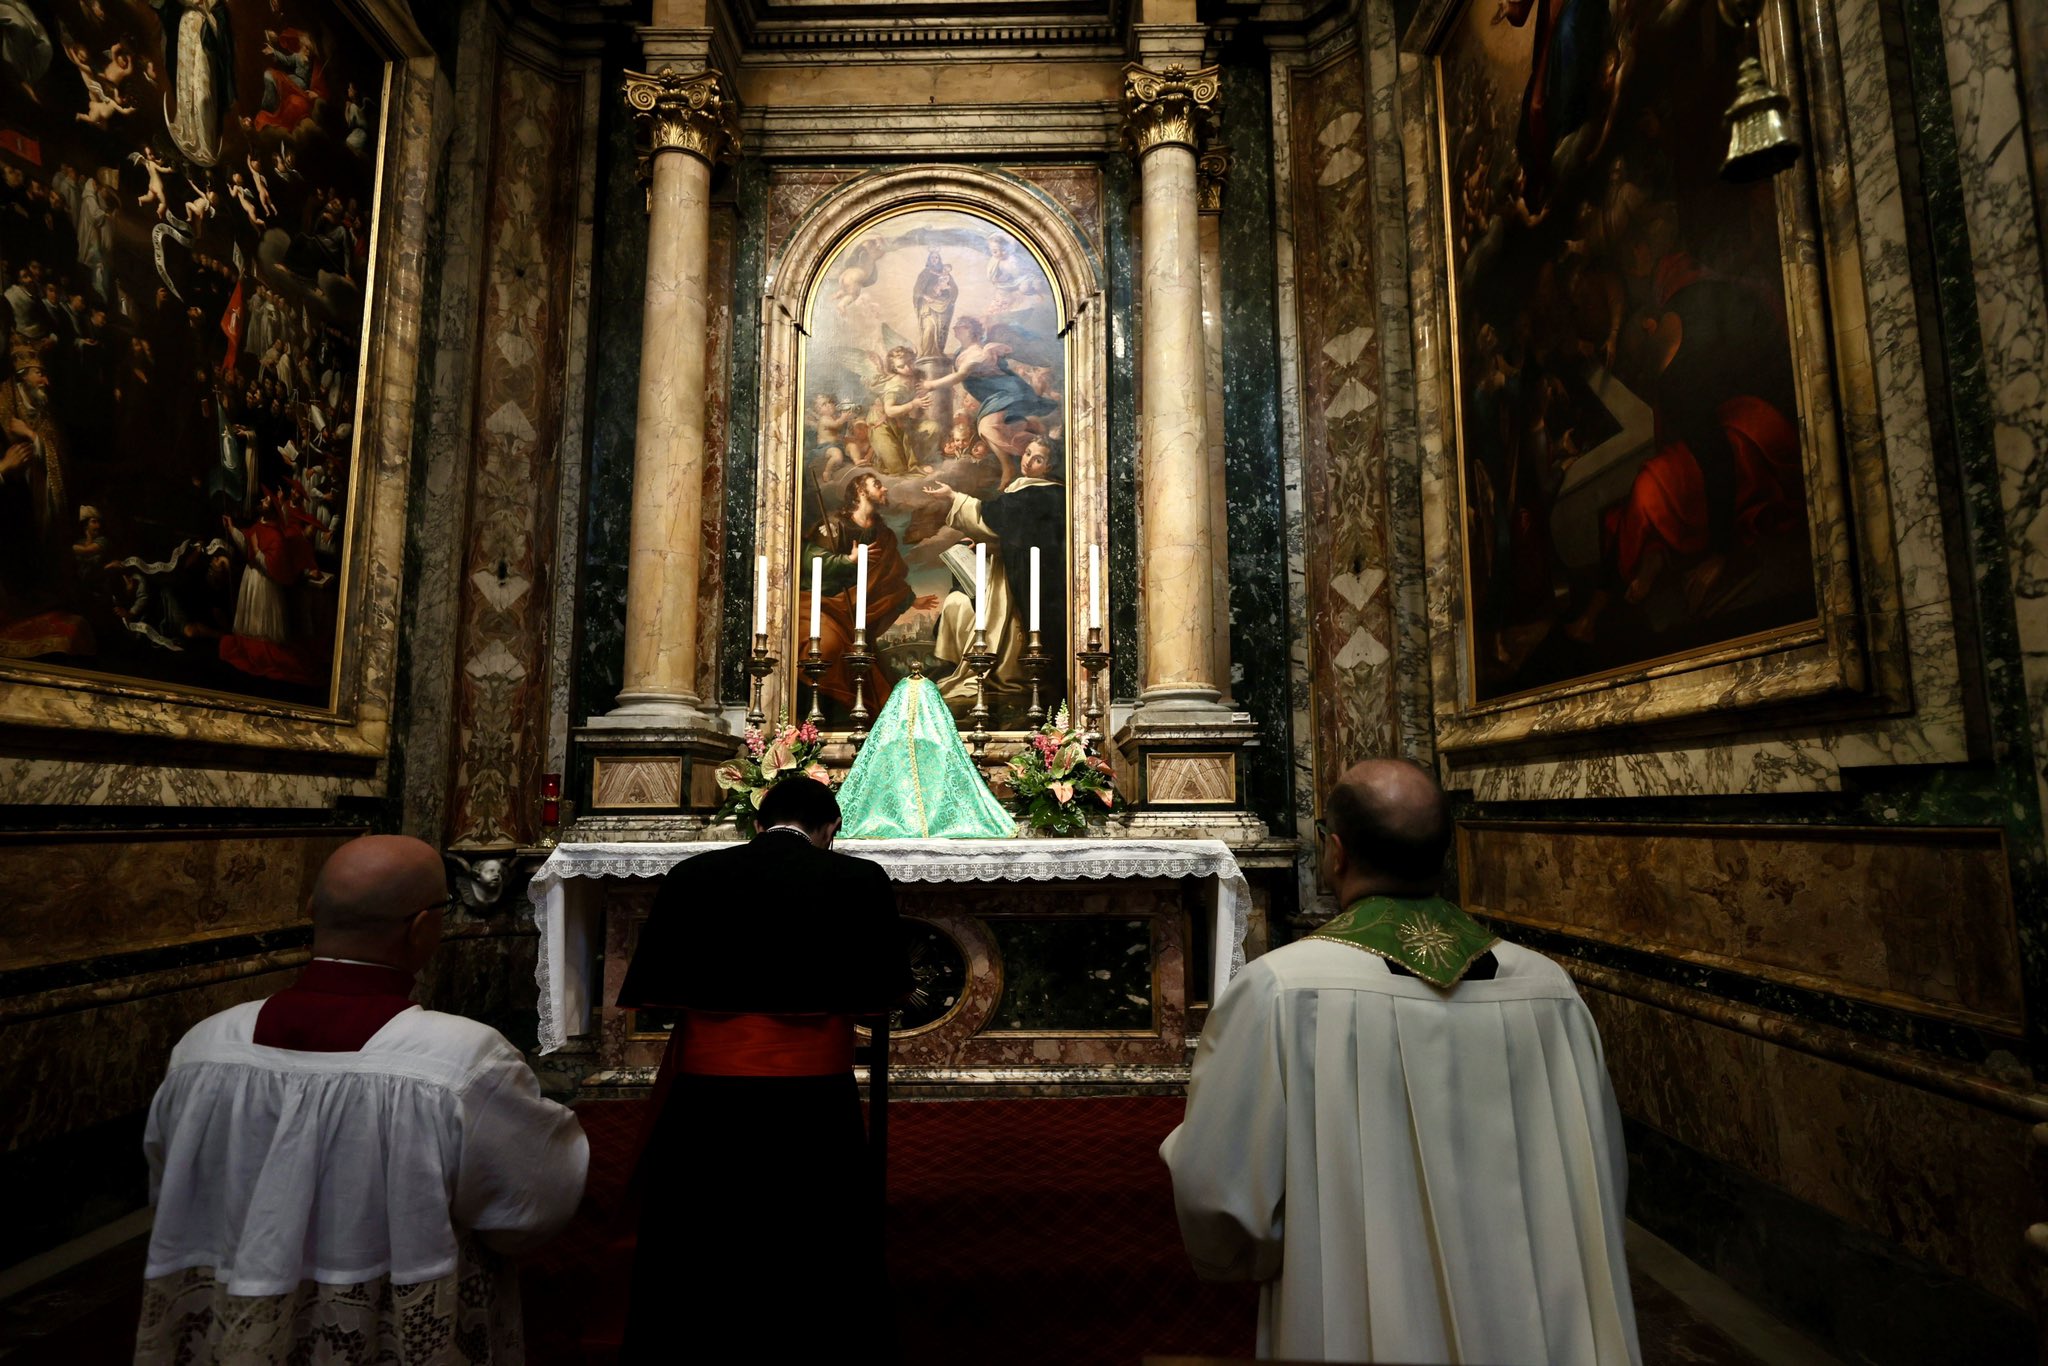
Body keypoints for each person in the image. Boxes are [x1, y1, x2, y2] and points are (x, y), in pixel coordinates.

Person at [1161, 759, 1641, 1363]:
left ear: (1335, 853)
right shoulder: (1548, 990)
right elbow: (1597, 1175)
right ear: (1445, 850)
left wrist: (1268, 1246)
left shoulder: (1281, 990)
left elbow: (1218, 1192)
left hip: (1358, 1321)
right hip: (1540, 1319)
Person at [136, 835, 588, 1365]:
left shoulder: (202, 1047)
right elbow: (532, 1205)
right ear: (423, 928)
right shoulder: (461, 1060)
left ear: (311, 911)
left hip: (234, 1318)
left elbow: (172, 1186)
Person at [616, 776, 911, 1362]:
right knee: (813, 1220)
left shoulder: (693, 875)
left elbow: (657, 984)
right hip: (814, 1091)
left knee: (706, 1218)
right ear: (830, 829)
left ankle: (693, 1331)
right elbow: (886, 993)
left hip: (708, 1088)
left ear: (757, 824)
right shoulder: (858, 878)